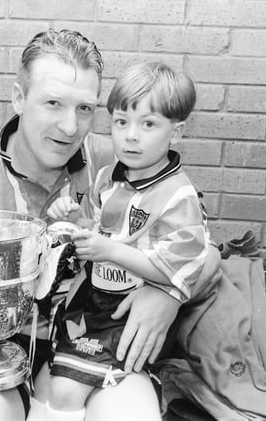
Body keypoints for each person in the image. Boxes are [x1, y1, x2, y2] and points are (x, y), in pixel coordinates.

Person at [0, 29, 219, 421]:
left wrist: (167, 295)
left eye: (85, 109)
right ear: (19, 98)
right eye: (53, 103)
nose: (70, 127)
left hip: (98, 346)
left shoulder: (119, 161)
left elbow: (209, 256)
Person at [39, 62, 218, 421]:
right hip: (91, 305)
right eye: (121, 122)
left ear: (177, 132)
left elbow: (174, 270)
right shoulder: (108, 177)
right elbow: (99, 228)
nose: (131, 136)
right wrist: (76, 220)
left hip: (129, 315)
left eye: (148, 124)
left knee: (65, 389)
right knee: (52, 387)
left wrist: (110, 252)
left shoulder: (178, 195)